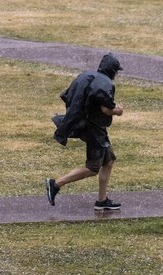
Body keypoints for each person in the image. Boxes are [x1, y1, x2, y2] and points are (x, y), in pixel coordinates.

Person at [46, 53, 124, 210]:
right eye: (116, 71)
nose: (116, 75)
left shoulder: (86, 75)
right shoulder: (106, 83)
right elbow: (105, 109)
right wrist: (118, 110)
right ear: (112, 71)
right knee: (92, 168)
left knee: (109, 161)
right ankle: (55, 184)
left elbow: (68, 96)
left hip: (84, 123)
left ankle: (101, 201)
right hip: (93, 129)